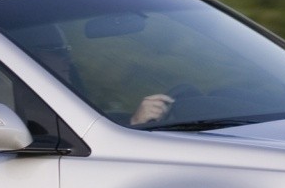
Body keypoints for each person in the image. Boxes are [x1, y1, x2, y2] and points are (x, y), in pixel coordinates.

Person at [19, 27, 173, 126]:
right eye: (57, 51)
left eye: (67, 50)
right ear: (30, 57)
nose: (68, 59)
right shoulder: (28, 117)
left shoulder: (75, 108)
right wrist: (135, 123)